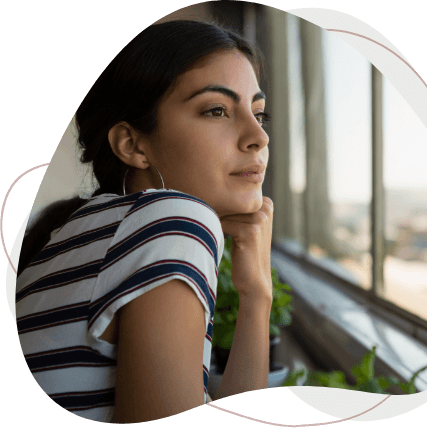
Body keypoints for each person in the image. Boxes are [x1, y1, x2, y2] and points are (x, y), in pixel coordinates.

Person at [15, 18, 274, 423]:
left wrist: (256, 295)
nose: (258, 136)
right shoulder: (173, 218)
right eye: (217, 110)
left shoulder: (78, 232)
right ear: (133, 145)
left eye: (260, 113)